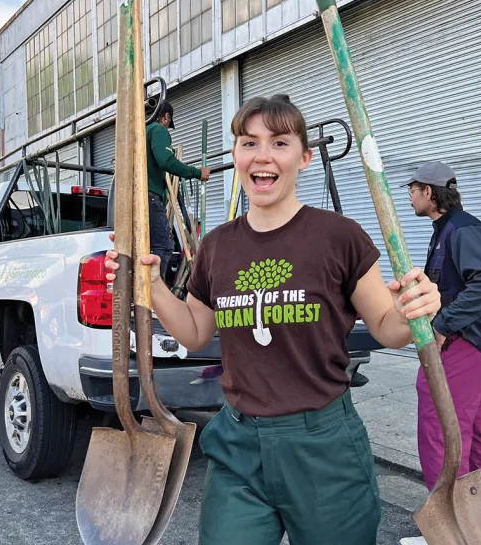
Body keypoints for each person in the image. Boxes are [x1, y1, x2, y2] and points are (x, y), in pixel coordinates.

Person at [105, 94, 441, 544]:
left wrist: (414, 310)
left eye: (279, 143)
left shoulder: (339, 237)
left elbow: (385, 324)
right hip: (239, 445)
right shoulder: (217, 247)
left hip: (323, 446)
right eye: (249, 143)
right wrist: (153, 288)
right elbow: (195, 331)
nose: (263, 155)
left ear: (303, 158)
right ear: (237, 156)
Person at [404, 161, 481, 509]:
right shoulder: (447, 229)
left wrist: (442, 325)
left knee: (440, 423)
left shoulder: (462, 229)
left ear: (429, 193)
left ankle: (450, 522)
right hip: (476, 341)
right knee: (478, 426)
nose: (409, 195)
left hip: (468, 341)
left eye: (413, 189)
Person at [146, 99, 211, 278]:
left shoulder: (141, 132)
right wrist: (197, 172)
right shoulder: (158, 130)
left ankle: (142, 296)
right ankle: (154, 296)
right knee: (164, 245)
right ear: (165, 117)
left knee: (146, 247)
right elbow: (166, 160)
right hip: (148, 197)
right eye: (168, 122)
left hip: (139, 197)